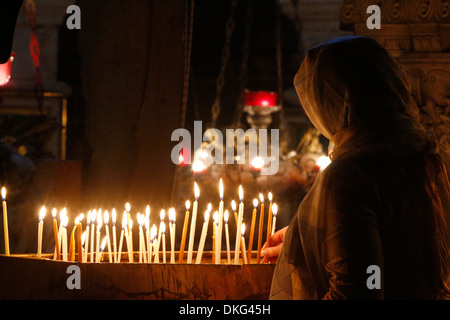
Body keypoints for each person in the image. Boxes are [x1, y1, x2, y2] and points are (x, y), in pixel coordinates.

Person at [262, 36, 450, 300]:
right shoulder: (426, 157)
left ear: (327, 102)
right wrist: (305, 241)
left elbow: (354, 292)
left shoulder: (349, 175)